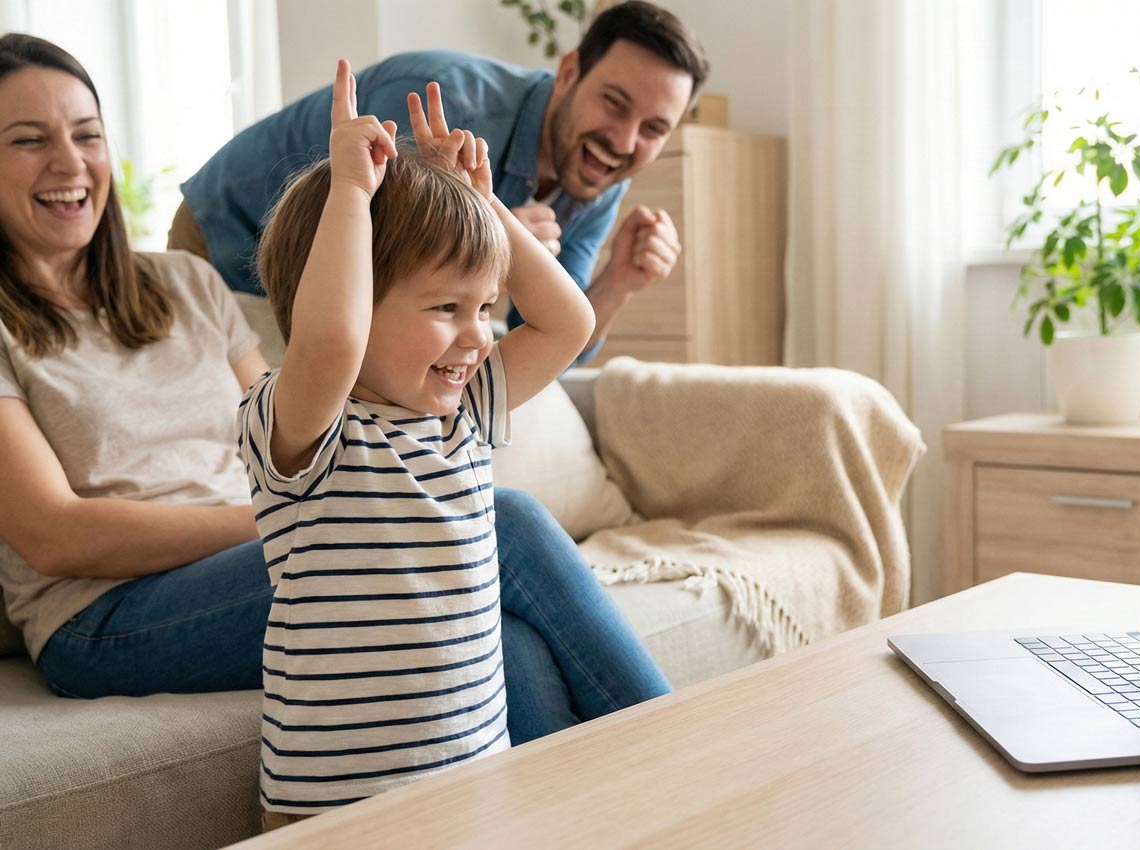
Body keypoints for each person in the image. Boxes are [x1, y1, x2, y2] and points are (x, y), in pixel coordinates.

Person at [0, 33, 667, 748]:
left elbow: (322, 403)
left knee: (501, 639)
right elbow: (53, 535)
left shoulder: (186, 283)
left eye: (87, 135)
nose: (69, 162)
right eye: (29, 140)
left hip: (284, 535)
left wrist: (470, 208)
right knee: (504, 524)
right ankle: (685, 757)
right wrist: (308, 518)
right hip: (105, 613)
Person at [171, 0, 708, 361]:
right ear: (568, 73)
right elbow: (372, 261)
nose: (623, 140)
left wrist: (617, 283)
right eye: (614, 104)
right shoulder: (446, 105)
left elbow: (544, 333)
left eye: (654, 129)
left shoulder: (598, 175)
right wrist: (488, 238)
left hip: (343, 283)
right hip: (229, 231)